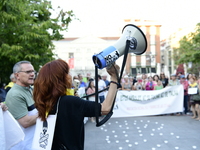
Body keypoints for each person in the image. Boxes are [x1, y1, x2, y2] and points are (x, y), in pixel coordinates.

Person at [33, 59, 119, 150]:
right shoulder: (69, 102)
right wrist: (114, 77)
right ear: (61, 78)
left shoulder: (44, 100)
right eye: (68, 73)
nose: (71, 76)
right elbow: (105, 108)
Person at [5, 61, 38, 150]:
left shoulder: (30, 89)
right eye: (28, 72)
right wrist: (47, 111)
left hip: (32, 143)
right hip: (23, 146)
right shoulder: (15, 94)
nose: (32, 74)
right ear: (17, 75)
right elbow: (25, 122)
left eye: (33, 71)